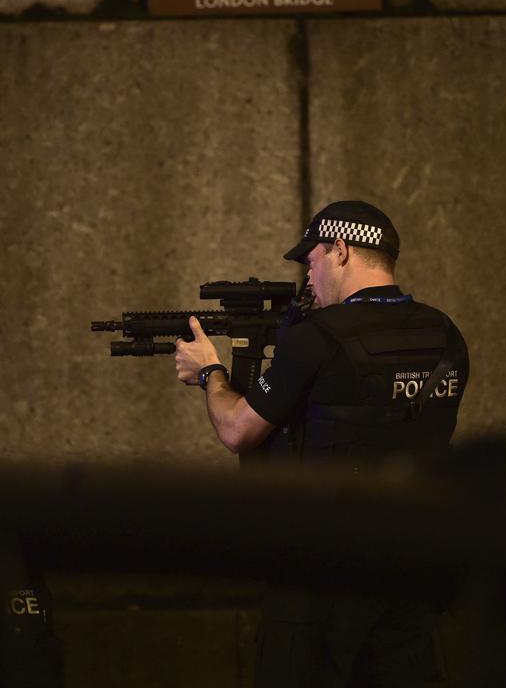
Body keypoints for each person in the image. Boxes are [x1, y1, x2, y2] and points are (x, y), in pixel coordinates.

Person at [175, 199, 469, 687]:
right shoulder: (445, 333)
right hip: (413, 563)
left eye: (311, 263)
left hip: (322, 569)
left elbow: (236, 430)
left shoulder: (318, 338)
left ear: (340, 250)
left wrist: (209, 372)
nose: (308, 281)